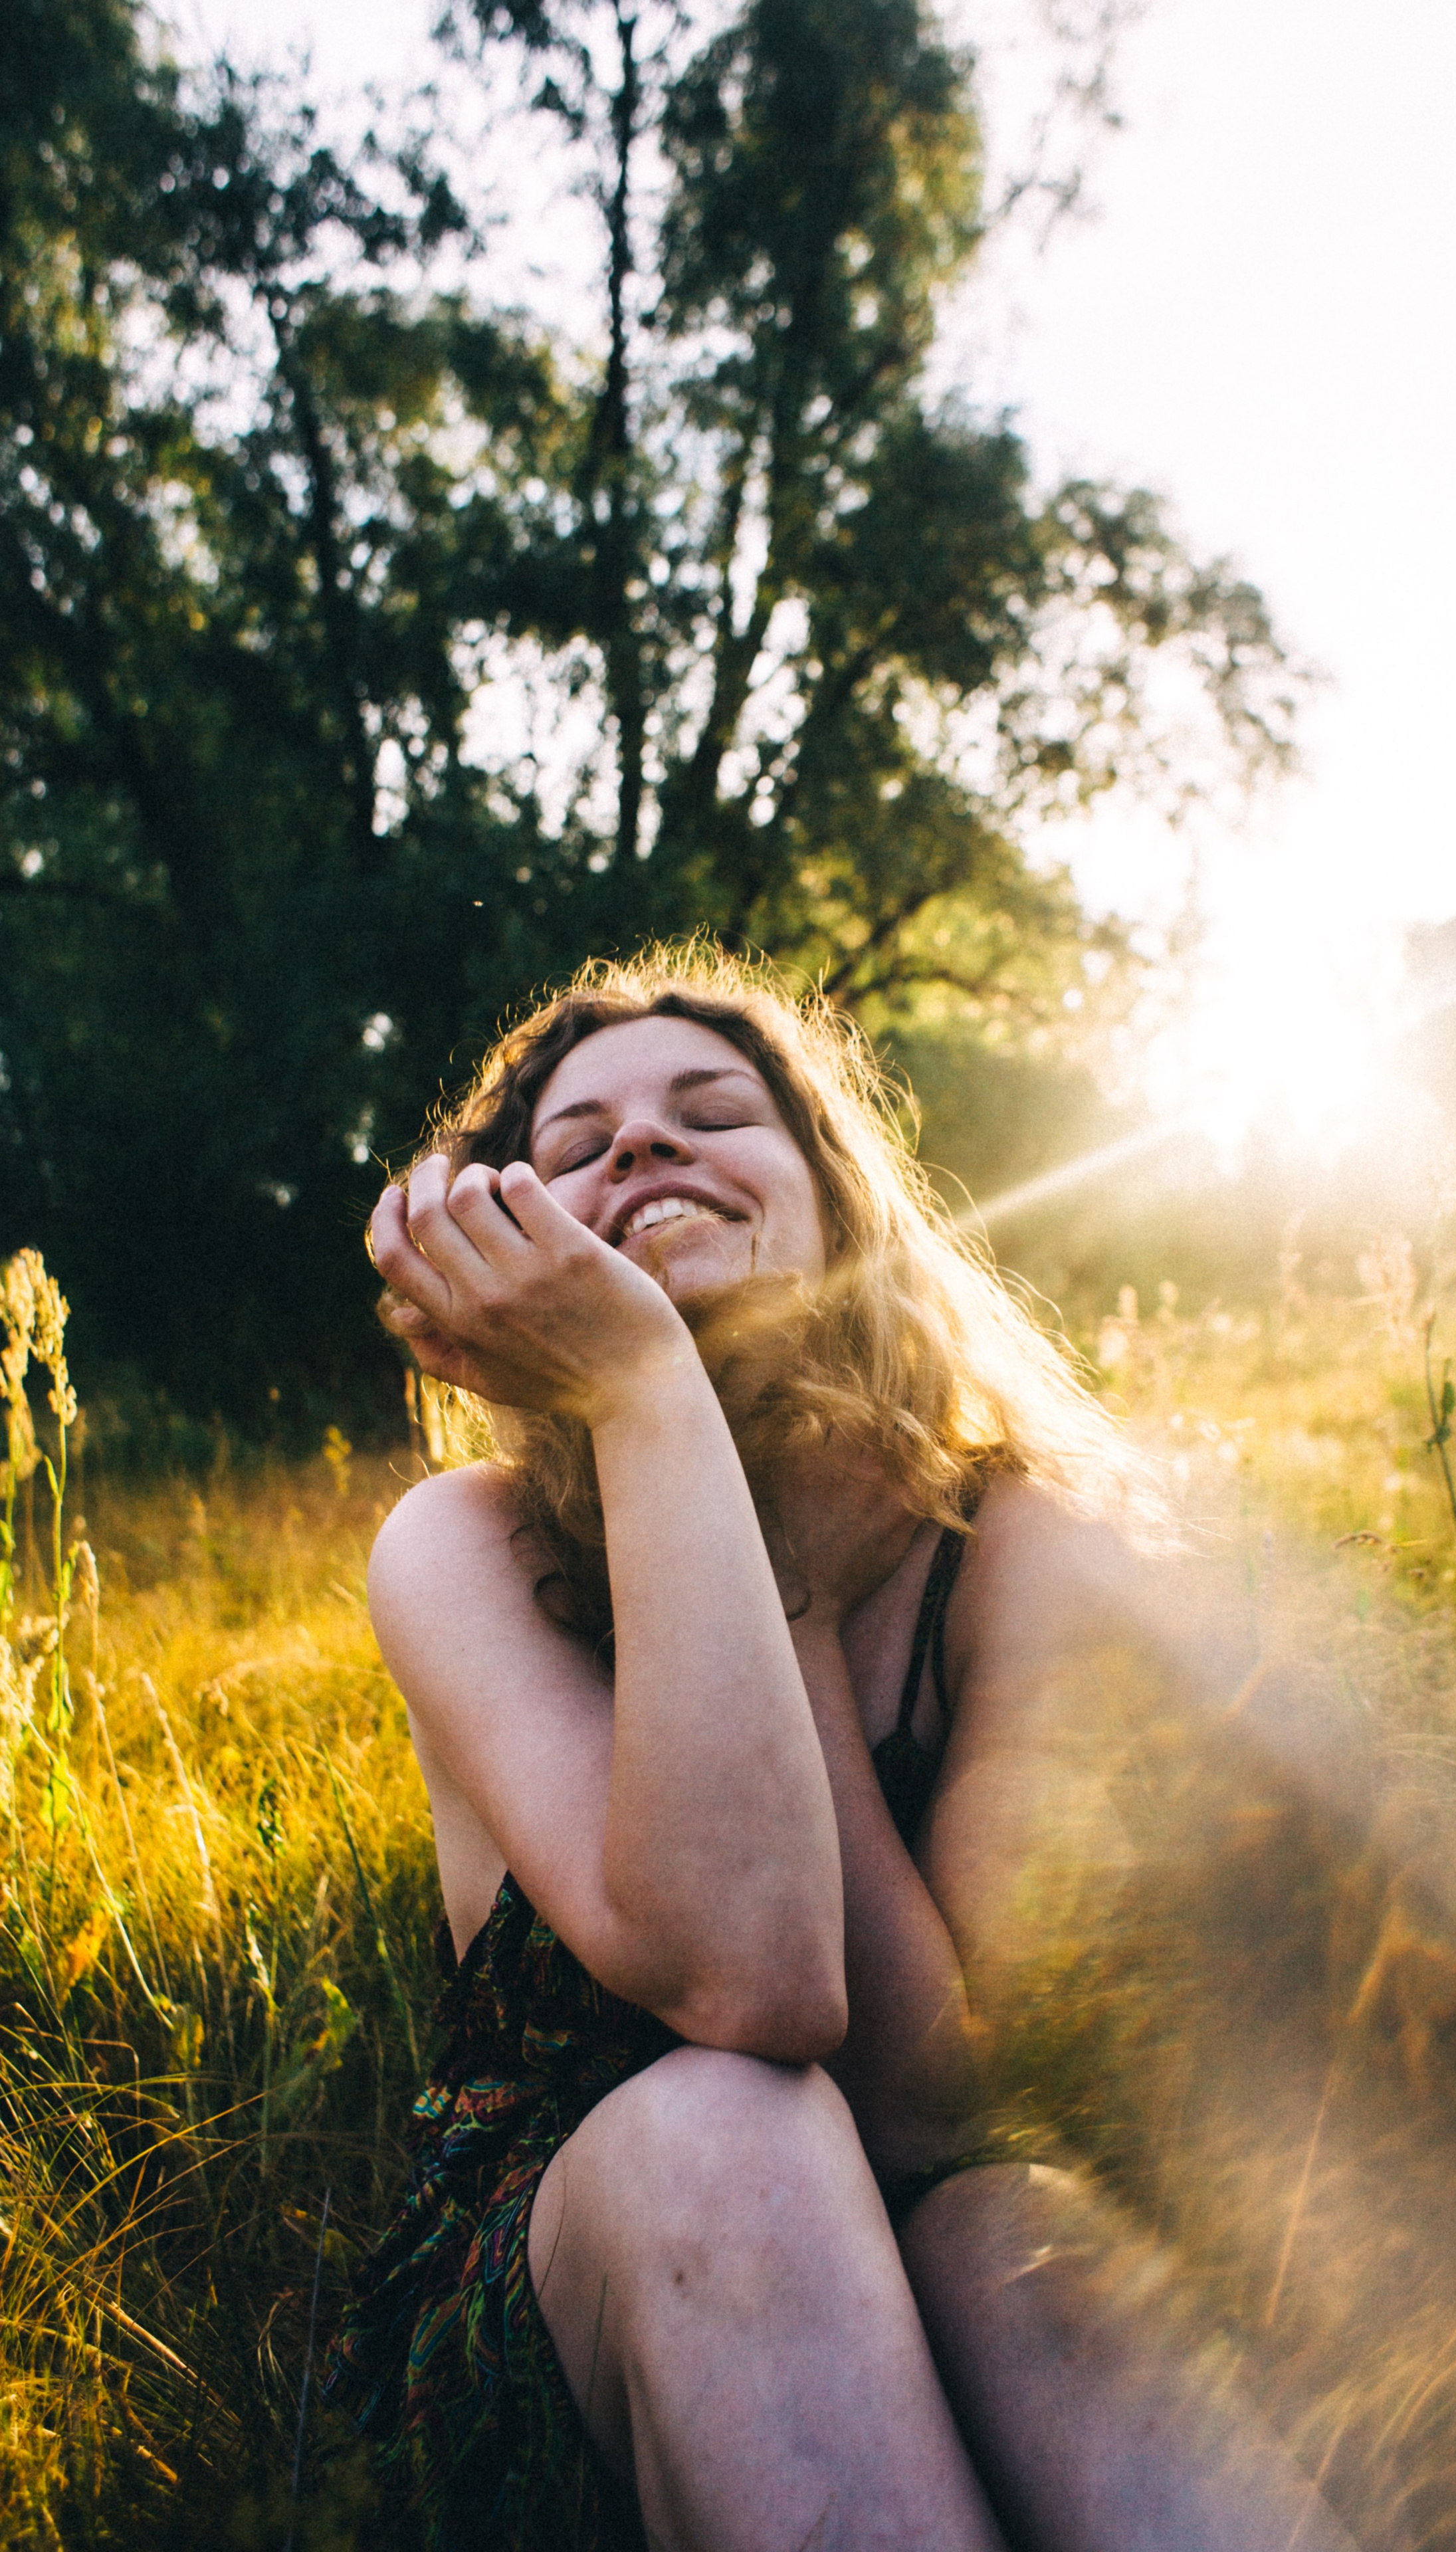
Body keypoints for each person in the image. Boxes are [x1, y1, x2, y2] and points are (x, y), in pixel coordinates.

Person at [326, 946, 1355, 2552]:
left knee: (1024, 2248)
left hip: (939, 2208)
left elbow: (928, 2111)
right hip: (596, 2253)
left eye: (709, 1111)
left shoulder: (1016, 1547)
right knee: (738, 2133)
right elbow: (752, 1989)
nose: (640, 1149)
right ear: (511, 1244)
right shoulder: (465, 1547)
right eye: (577, 1143)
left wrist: (772, 1557)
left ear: (840, 1203)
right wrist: (661, 1406)